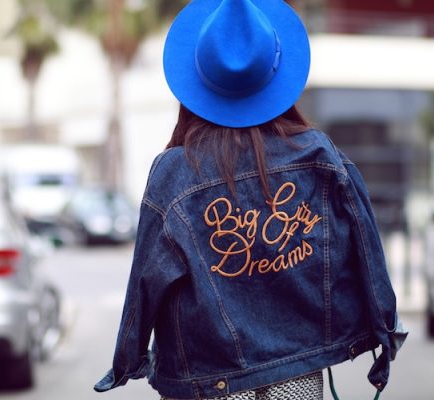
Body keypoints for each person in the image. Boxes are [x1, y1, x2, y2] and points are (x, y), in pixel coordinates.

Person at [94, 0, 407, 399]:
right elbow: (366, 247)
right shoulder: (320, 155)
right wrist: (383, 331)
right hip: (298, 370)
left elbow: (146, 279)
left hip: (206, 379)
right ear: (276, 78)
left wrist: (129, 358)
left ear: (197, 83)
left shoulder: (173, 173)